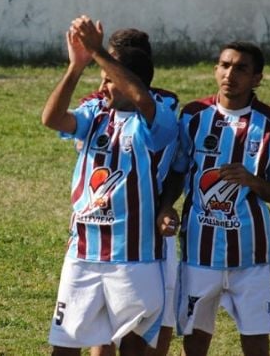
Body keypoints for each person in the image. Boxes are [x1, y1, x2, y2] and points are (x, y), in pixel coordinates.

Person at [42, 15, 179, 356]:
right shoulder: (95, 113)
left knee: (132, 348)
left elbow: (142, 101)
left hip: (134, 259)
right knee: (64, 346)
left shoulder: (159, 119)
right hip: (82, 254)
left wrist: (99, 51)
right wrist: (76, 66)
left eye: (109, 80)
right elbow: (52, 119)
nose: (102, 87)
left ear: (131, 82)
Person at [158, 42, 270, 356]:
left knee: (256, 342)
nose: (230, 74)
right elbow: (177, 171)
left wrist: (252, 180)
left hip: (251, 256)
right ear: (215, 69)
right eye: (224, 65)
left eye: (241, 68)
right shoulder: (193, 116)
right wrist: (167, 206)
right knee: (195, 340)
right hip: (199, 252)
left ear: (257, 78)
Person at [84, 28, 178, 356]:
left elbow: (176, 164)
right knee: (103, 325)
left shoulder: (165, 104)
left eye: (114, 67)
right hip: (104, 228)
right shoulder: (95, 103)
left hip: (152, 230)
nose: (107, 77)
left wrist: (166, 206)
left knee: (154, 321)